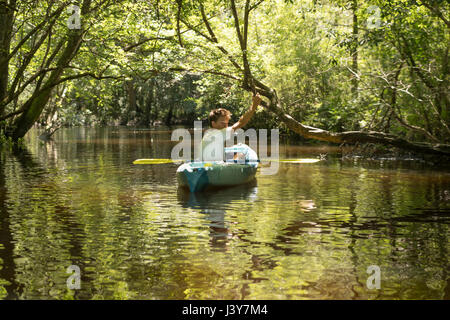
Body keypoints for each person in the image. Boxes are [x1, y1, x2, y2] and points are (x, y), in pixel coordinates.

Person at [200, 94, 262, 161]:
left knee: (238, 147)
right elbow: (241, 122)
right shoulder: (219, 133)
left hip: (208, 163)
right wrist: (254, 106)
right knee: (243, 150)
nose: (226, 126)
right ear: (213, 123)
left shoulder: (208, 133)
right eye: (223, 123)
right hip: (215, 166)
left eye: (227, 123)